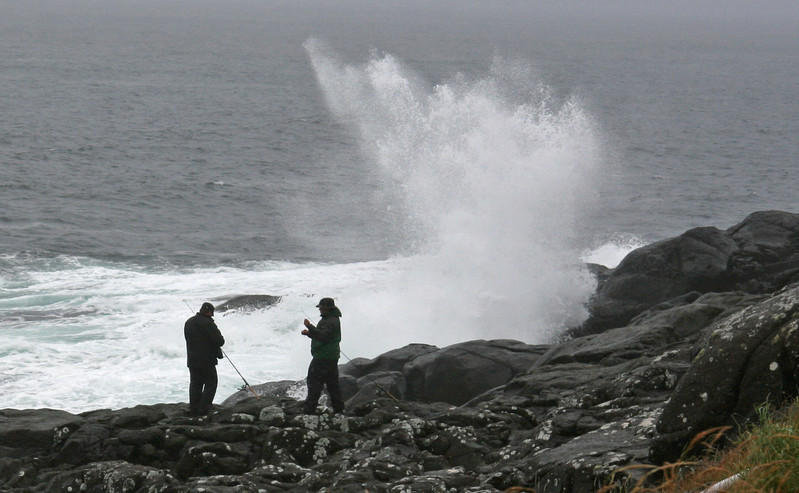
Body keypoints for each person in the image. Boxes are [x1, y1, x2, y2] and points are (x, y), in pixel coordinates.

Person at [302, 297, 345, 414]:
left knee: (314, 382)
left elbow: (323, 336)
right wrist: (309, 334)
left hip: (323, 357)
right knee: (332, 384)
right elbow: (322, 335)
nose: (319, 310)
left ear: (327, 309)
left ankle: (309, 410)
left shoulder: (330, 321)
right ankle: (339, 410)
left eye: (321, 308)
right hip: (331, 356)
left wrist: (309, 327)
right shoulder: (332, 319)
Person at [184, 302, 225, 416]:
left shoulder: (189, 322)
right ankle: (204, 409)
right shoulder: (209, 323)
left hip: (192, 359)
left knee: (195, 383)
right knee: (211, 383)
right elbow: (220, 341)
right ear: (209, 312)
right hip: (207, 360)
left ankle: (193, 408)